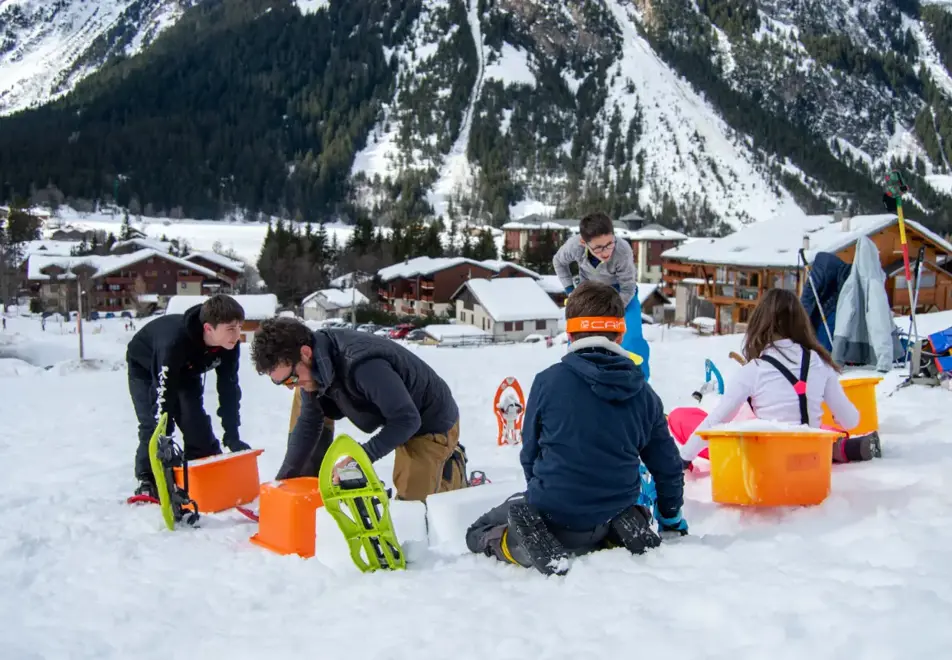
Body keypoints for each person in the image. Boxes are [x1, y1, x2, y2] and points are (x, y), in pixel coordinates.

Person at [465, 281, 687, 576]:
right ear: (620, 334)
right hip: (613, 507)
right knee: (612, 509)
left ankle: (517, 543)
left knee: (476, 532)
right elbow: (667, 467)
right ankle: (615, 531)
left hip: (554, 511)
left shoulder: (548, 382)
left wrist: (543, 492)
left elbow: (530, 452)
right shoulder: (644, 394)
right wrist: (670, 518)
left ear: (569, 335)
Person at [249, 317, 468, 501]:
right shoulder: (316, 365)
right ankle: (309, 486)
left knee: (414, 504)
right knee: (304, 397)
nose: (290, 386)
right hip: (390, 408)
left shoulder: (364, 365)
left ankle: (452, 468)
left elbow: (407, 420)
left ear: (305, 353)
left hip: (428, 422)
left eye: (291, 379)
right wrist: (283, 483)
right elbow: (308, 423)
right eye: (282, 383)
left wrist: (360, 458)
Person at [673, 289, 866, 467]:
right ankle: (840, 447)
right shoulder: (820, 362)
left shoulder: (754, 370)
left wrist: (684, 458)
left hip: (769, 466)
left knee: (680, 417)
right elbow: (851, 421)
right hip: (812, 462)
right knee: (817, 427)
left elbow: (717, 421)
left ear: (759, 324)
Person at [126, 294, 248, 498]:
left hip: (187, 370)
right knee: (152, 424)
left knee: (194, 419)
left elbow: (229, 389)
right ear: (208, 328)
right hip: (147, 368)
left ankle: (200, 465)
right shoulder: (174, 342)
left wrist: (232, 435)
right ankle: (148, 477)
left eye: (239, 327)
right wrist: (164, 439)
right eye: (230, 328)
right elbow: (162, 396)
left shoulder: (229, 345)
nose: (237, 335)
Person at [553, 211, 651, 380]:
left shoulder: (622, 251)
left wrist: (612, 310)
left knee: (630, 336)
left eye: (609, 244)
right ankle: (578, 376)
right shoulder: (574, 247)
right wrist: (571, 291)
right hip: (590, 290)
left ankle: (638, 380)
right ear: (584, 242)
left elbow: (628, 288)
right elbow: (558, 262)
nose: (605, 252)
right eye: (598, 248)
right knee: (580, 333)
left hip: (621, 292)